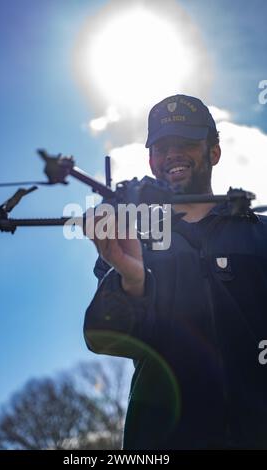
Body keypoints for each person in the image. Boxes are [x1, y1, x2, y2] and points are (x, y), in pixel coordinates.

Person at [83, 94, 267, 449]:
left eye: (186, 143)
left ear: (213, 151)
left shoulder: (260, 233)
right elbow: (105, 337)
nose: (172, 154)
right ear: (151, 161)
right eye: (162, 146)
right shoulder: (132, 241)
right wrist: (131, 280)